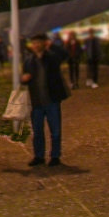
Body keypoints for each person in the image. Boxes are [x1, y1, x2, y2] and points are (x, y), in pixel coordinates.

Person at [21, 32, 70, 165]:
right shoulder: (29, 61)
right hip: (36, 101)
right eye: (34, 43)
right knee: (37, 131)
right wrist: (24, 79)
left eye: (38, 43)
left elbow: (65, 55)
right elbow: (24, 77)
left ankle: (55, 156)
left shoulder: (52, 57)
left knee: (55, 130)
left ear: (44, 43)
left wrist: (52, 45)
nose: (36, 45)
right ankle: (39, 156)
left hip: (52, 99)